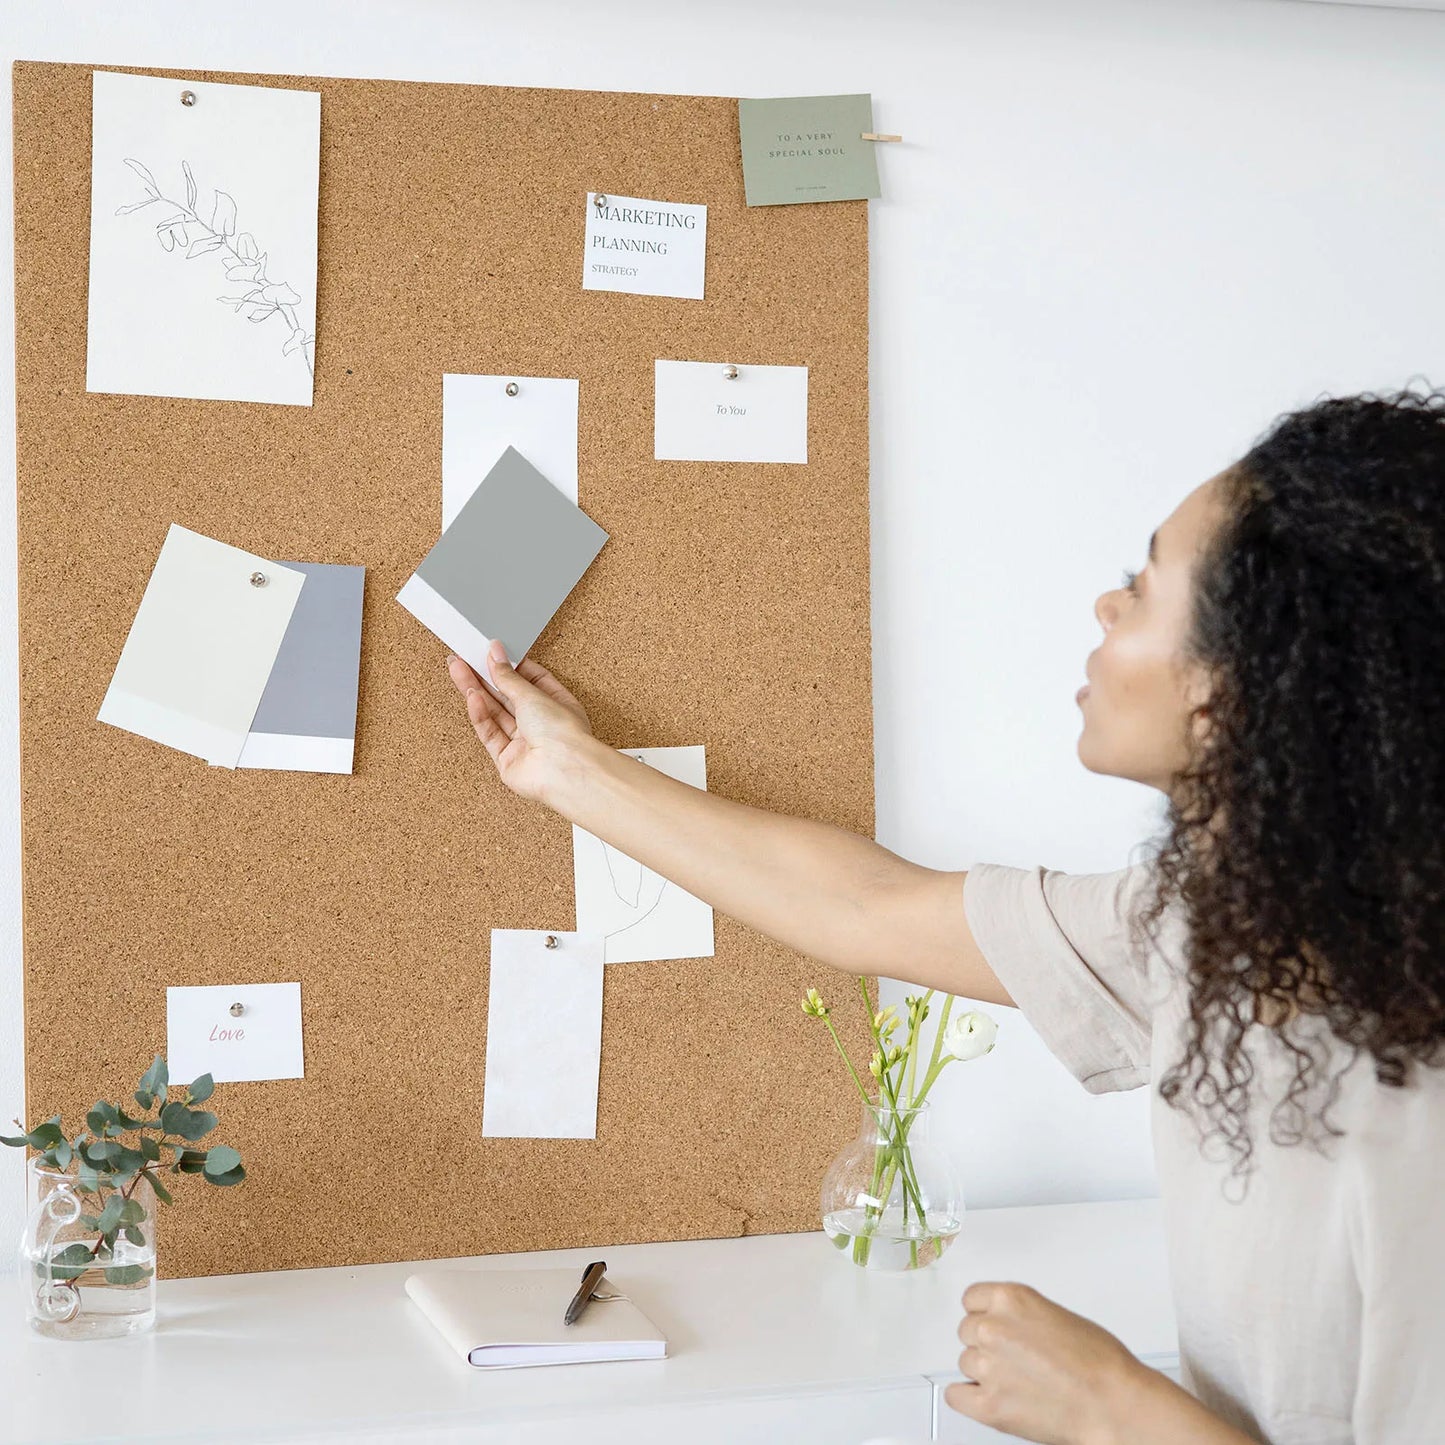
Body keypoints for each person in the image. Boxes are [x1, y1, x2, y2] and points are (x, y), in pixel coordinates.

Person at [445, 391, 1445, 1445]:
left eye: (1142, 586)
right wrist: (568, 768)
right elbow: (865, 906)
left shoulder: (1418, 1103)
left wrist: (1116, 1409)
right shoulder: (1214, 938)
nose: (1105, 606)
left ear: (1243, 685)